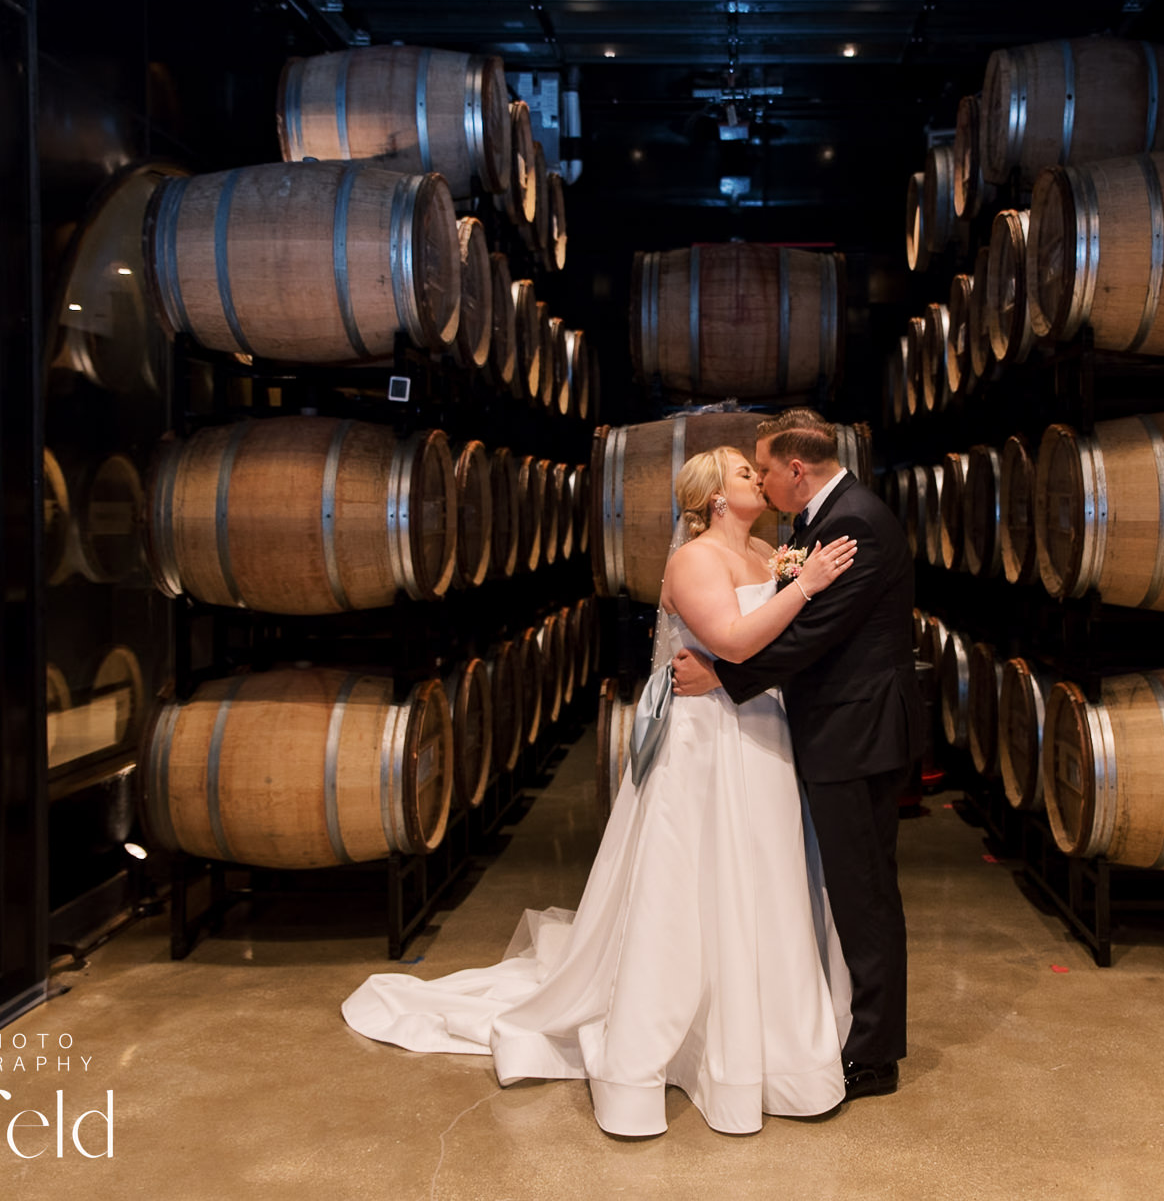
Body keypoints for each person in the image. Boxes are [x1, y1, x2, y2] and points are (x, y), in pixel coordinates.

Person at [342, 446, 860, 1138]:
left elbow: (780, 649)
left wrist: (795, 583)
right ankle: (685, 1044)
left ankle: (778, 1047)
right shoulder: (695, 560)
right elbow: (734, 645)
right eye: (743, 473)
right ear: (713, 498)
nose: (757, 480)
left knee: (765, 874)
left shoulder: (771, 551)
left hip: (762, 730)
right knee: (697, 882)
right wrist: (807, 586)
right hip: (707, 743)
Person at [672, 408, 926, 1102]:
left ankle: (874, 1055)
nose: (761, 480)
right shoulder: (825, 520)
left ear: (795, 469)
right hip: (844, 731)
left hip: (858, 733)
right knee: (850, 887)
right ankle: (856, 1028)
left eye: (763, 467)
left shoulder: (854, 521)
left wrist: (723, 676)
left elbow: (812, 631)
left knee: (865, 892)